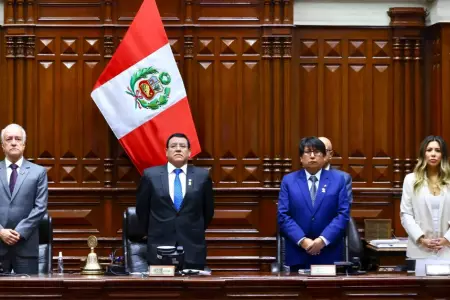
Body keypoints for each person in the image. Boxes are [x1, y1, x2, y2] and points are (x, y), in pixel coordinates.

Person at [136, 133, 214, 270]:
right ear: (166, 152)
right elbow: (142, 211)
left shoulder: (202, 176)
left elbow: (208, 211)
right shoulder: (150, 175)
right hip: (159, 248)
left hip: (192, 248)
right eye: (173, 146)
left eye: (183, 146)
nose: (178, 149)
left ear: (189, 152)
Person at [278, 137, 351, 270]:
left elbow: (343, 215)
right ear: (300, 158)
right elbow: (283, 215)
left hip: (329, 252)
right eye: (307, 152)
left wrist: (322, 240)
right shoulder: (289, 181)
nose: (312, 156)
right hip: (298, 251)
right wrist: (303, 241)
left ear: (324, 157)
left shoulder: (338, 180)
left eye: (317, 152)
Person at [0, 123, 48, 274]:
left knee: (28, 295)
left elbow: (40, 207)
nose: (13, 142)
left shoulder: (38, 172)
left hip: (26, 247)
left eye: (17, 139)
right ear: (2, 145)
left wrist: (19, 233)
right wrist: (0, 232)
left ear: (24, 144)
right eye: (9, 139)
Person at [400, 135, 450, 259]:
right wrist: (421, 239)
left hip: (447, 249)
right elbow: (406, 214)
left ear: (443, 155)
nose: (433, 154)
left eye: (437, 150)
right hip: (420, 249)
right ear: (423, 154)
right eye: (429, 150)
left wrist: (447, 239)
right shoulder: (411, 180)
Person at [318, 137, 353, 203]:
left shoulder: (343, 178)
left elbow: (344, 208)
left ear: (330, 154)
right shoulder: (300, 177)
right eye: (316, 151)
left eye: (322, 151)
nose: (319, 154)